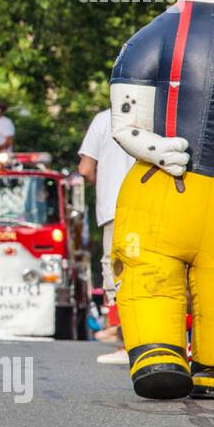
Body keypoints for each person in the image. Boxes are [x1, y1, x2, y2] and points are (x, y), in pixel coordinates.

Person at [77, 107, 136, 357]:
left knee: (116, 269)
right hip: (147, 206)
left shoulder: (104, 119)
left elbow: (85, 169)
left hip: (113, 207)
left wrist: (100, 182)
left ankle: (126, 341)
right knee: (142, 268)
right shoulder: (152, 112)